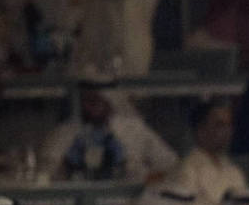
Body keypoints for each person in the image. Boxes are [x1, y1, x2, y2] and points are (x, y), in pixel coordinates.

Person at [38, 76, 177, 182]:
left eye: (96, 101)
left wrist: (139, 176)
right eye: (87, 101)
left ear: (110, 101)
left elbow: (170, 165)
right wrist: (67, 165)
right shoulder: (64, 133)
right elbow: (43, 174)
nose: (92, 109)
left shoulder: (134, 129)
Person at [168, 98, 247, 205]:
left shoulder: (234, 171)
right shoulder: (186, 169)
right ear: (201, 130)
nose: (228, 131)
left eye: (229, 125)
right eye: (220, 125)